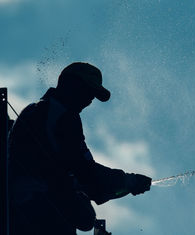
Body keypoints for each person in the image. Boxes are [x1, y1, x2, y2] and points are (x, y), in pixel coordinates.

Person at [8, 62, 152, 235]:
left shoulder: (37, 110)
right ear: (70, 85)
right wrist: (128, 181)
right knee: (84, 215)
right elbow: (85, 171)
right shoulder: (63, 117)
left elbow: (73, 173)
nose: (90, 100)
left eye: (93, 95)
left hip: (20, 211)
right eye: (88, 91)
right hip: (37, 214)